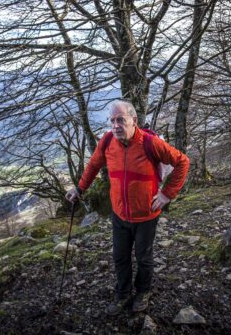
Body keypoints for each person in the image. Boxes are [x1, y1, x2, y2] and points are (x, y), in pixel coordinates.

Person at [66, 100, 189, 315]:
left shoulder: (150, 143)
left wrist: (167, 194)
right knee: (120, 257)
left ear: (134, 121)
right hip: (119, 214)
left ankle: (143, 292)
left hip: (146, 215)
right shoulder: (107, 142)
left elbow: (182, 162)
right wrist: (79, 189)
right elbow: (94, 165)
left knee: (144, 257)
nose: (115, 125)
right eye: (112, 121)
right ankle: (123, 294)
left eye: (120, 120)